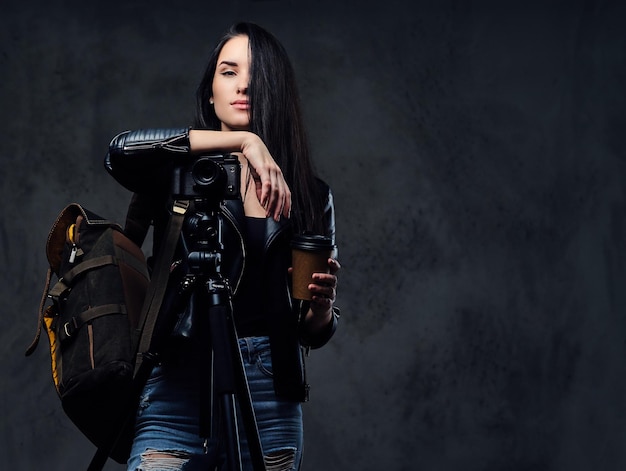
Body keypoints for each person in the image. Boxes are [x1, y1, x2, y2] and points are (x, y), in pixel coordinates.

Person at [104, 22, 340, 471]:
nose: (243, 85)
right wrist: (244, 141)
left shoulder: (310, 193)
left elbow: (314, 330)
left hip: (270, 387)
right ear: (211, 92)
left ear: (276, 91)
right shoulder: (176, 171)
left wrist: (322, 308)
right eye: (228, 72)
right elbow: (119, 151)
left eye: (256, 76)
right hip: (176, 378)